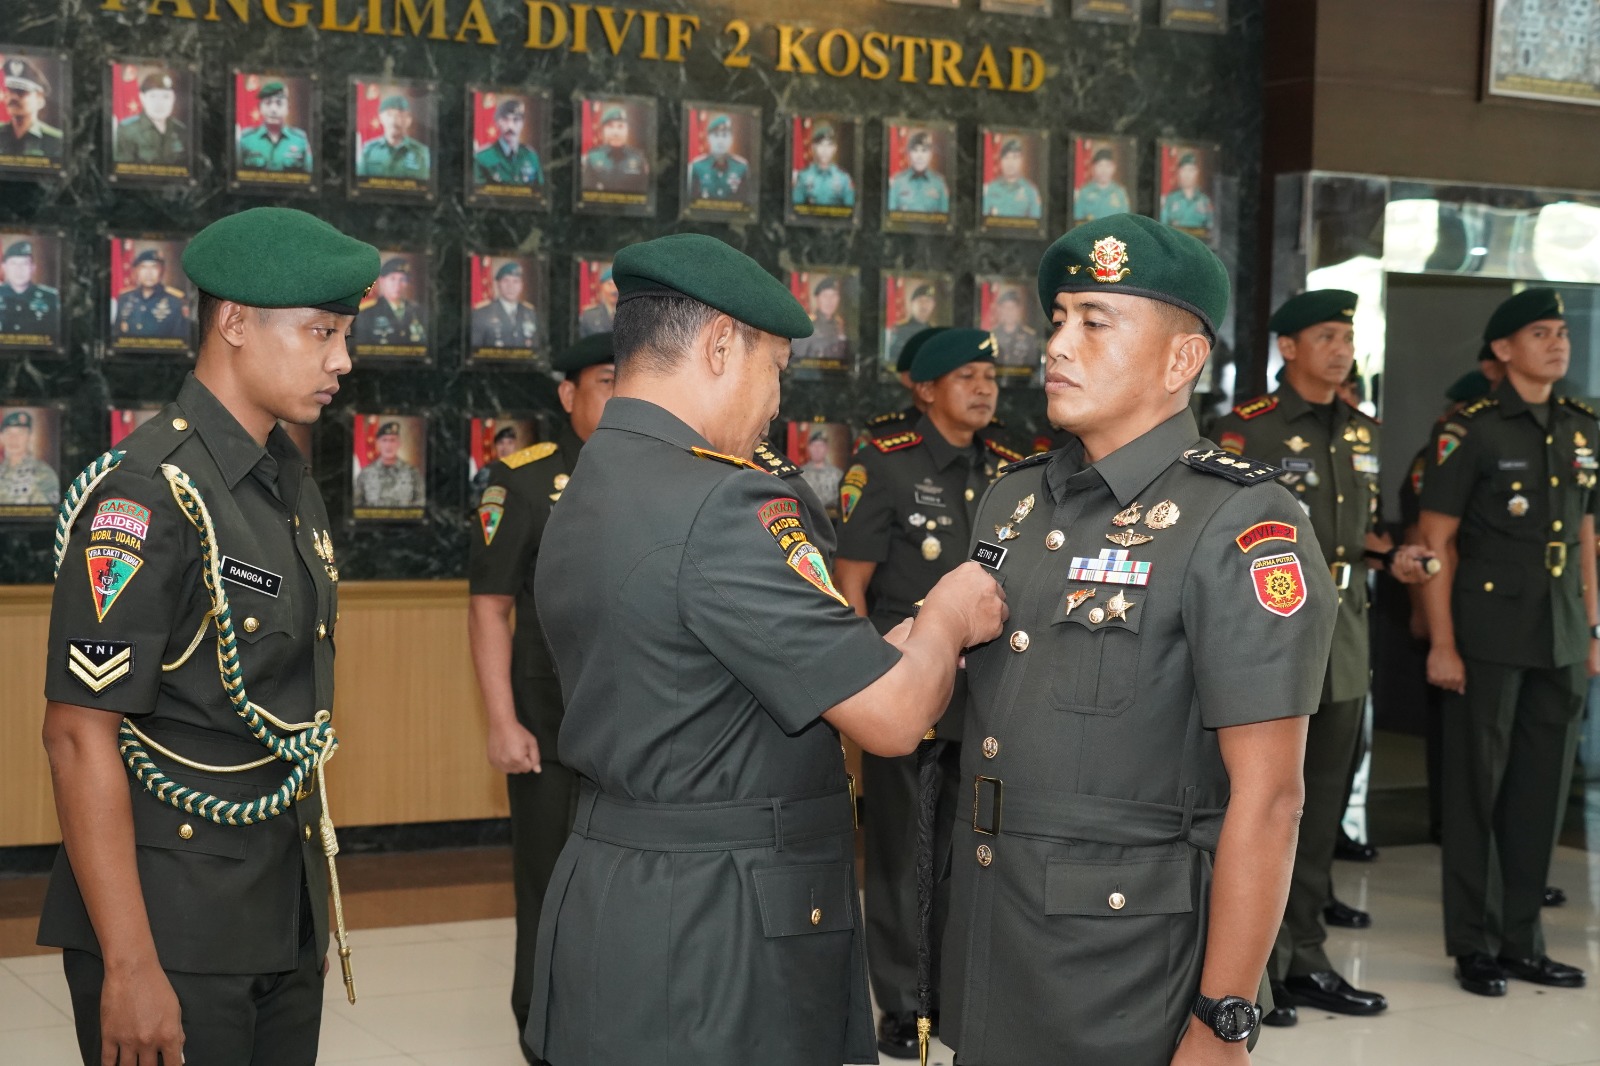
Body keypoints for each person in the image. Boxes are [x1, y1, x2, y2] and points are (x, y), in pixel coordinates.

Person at [524, 232, 1008, 1066]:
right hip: (720, 931)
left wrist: (873, 651)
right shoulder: (723, 502)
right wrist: (946, 617)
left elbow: (694, 664)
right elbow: (892, 721)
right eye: (775, 367)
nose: (777, 400)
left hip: (617, 896)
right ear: (720, 344)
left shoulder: (596, 479)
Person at [942, 213, 1337, 1065]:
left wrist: (1222, 1017)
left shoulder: (1239, 520)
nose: (1058, 344)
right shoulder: (1013, 502)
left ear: (1181, 360)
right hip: (991, 922)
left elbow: (1270, 798)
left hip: (1124, 963)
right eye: (1056, 320)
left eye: (1095, 321)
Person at [37, 206, 378, 1066]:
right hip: (174, 925)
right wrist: (130, 965)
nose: (343, 359)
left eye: (343, 333)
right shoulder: (146, 496)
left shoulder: (284, 482)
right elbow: (80, 735)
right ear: (233, 323)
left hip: (279, 908)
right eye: (320, 332)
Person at [1210, 289, 1434, 1026]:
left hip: (1348, 622)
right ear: (1290, 349)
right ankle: (1255, 969)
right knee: (1262, 799)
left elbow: (1353, 532)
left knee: (1321, 802)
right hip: (1272, 624)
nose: (1343, 348)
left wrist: (1390, 556)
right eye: (1328, 336)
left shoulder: (1362, 430)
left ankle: (1305, 956)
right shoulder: (1247, 431)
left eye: (1349, 336)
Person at [833, 328, 1018, 1059]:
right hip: (905, 689)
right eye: (966, 376)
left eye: (990, 376)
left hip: (987, 695)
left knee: (962, 851)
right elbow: (850, 590)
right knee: (901, 852)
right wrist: (864, 689)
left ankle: (950, 994)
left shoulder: (1010, 466)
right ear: (925, 388)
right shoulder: (886, 465)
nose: (984, 388)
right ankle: (903, 1003)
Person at [1417, 287, 1594, 997]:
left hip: (1560, 631)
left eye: (1562, 333)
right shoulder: (1473, 428)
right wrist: (1442, 643)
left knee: (1541, 795)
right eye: (1540, 333)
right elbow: (1435, 542)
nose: (1557, 344)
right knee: (1476, 795)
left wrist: (1593, 627)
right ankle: (1473, 944)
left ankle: (1524, 940)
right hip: (1486, 634)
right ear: (1502, 350)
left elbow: (1587, 535)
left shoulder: (1584, 426)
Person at [469, 332, 617, 1065]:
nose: (620, 397)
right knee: (549, 884)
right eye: (605, 382)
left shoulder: (669, 474)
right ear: (569, 395)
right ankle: (543, 1033)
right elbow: (489, 605)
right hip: (550, 727)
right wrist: (501, 719)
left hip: (636, 731)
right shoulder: (525, 482)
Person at [236, 79, 311, 175]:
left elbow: (309, 176)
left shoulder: (300, 139)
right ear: (259, 108)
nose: (273, 110)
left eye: (279, 104)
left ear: (288, 109)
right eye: (267, 103)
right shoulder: (246, 139)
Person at [114, 249, 189, 343]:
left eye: (154, 267)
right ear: (136, 271)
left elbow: (180, 343)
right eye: (143, 267)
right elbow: (116, 338)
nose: (148, 273)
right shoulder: (124, 299)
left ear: (162, 271)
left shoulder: (175, 302)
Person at [115, 69, 187, 166]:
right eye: (153, 96)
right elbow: (122, 170)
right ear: (142, 98)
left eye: (166, 97)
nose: (159, 104)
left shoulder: (180, 129)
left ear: (173, 99)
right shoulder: (128, 130)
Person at [0, 56, 63, 161]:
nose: (13, 97)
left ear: (40, 99)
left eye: (21, 92)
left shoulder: (56, 140)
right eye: (10, 90)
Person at [355, 257, 426, 349]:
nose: (397, 285)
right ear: (382, 281)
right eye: (392, 278)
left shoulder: (419, 312)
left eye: (403, 279)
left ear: (408, 283)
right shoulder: (366, 314)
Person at [474, 97, 544, 189]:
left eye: (516, 120)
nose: (510, 126)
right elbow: (479, 194)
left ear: (522, 123)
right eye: (505, 119)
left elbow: (539, 193)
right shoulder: (482, 158)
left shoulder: (531, 157)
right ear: (497, 122)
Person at [471, 262, 541, 352]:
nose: (510, 287)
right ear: (498, 284)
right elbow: (475, 351)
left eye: (515, 281)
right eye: (505, 281)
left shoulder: (530, 312)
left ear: (521, 285)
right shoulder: (481, 313)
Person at [353, 420, 424, 508]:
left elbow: (420, 505)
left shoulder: (413, 473)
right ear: (378, 443)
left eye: (392, 440)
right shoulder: (365, 474)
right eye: (384, 440)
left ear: (399, 443)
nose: (388, 445)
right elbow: (356, 506)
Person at [358, 94, 430, 179]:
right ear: (380, 118)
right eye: (389, 114)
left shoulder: (421, 152)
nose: (394, 121)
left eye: (400, 115)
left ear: (409, 120)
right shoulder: (369, 150)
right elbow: (361, 182)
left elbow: (423, 186)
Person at [581, 104, 649, 195]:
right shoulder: (593, 158)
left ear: (627, 130)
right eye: (610, 126)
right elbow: (586, 192)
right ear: (603, 131)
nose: (615, 132)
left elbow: (643, 194)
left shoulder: (638, 158)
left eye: (620, 126)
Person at [0, 239, 60, 340]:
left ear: (33, 268)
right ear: (4, 267)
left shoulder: (51, 297)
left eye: (25, 264)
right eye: (13, 264)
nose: (19, 269)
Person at [686, 112, 750, 205]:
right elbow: (691, 202)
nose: (720, 141)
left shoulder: (742, 167)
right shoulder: (697, 166)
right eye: (716, 136)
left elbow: (745, 202)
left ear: (731, 139)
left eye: (724, 136)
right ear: (708, 138)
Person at [0, 408, 59, 505]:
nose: (14, 439)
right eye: (8, 433)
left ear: (30, 437)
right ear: (2, 437)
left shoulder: (45, 474)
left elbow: (51, 513)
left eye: (21, 433)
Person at [791, 277, 853, 367]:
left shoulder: (843, 327)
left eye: (834, 295)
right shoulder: (807, 326)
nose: (829, 301)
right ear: (817, 298)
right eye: (825, 296)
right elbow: (796, 364)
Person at [792, 122, 855, 209]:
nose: (825, 150)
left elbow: (850, 210)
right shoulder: (803, 176)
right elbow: (796, 208)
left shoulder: (843, 178)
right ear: (813, 148)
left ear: (834, 149)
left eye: (829, 145)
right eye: (821, 145)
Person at [888, 129, 949, 216]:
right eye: (915, 150)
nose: (919, 156)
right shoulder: (897, 182)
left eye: (924, 150)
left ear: (930, 154)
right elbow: (890, 216)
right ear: (909, 154)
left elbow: (945, 219)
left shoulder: (939, 183)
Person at [981, 138, 1042, 220]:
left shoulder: (1030, 191)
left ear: (1021, 160)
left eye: (1015, 157)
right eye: (1006, 157)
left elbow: (1036, 224)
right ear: (1001, 161)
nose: (1010, 162)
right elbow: (983, 220)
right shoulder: (991, 188)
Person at [1160, 152, 1214, 236]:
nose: (1187, 175)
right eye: (1183, 170)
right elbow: (1162, 227)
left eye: (1191, 170)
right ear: (1179, 173)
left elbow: (1211, 231)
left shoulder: (1205, 201)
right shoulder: (1170, 200)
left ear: (1197, 172)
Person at [1073, 147, 1131, 222]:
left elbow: (1126, 222)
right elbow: (1078, 219)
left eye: (1108, 165)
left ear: (1114, 168)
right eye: (1100, 165)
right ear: (1093, 168)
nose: (1104, 170)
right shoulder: (1084, 192)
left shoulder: (1120, 193)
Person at [887, 284, 939, 366]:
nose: (924, 305)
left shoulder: (937, 333)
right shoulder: (900, 330)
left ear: (933, 305)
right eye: (920, 300)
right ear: (912, 304)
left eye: (928, 301)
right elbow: (893, 361)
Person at [989, 290, 1037, 367]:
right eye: (1005, 308)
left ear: (1018, 311)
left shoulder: (1029, 336)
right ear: (1000, 310)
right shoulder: (992, 335)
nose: (1009, 312)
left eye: (1012, 308)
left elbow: (1033, 364)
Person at [798, 428, 844, 506]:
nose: (817, 449)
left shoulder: (837, 474)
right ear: (809, 448)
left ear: (826, 449)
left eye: (821, 445)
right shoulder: (801, 474)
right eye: (814, 445)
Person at [472, 425, 522, 497]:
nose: (505, 448)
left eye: (510, 443)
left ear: (516, 446)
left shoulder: (524, 472)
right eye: (501, 443)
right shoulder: (486, 472)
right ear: (495, 447)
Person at [578, 266, 616, 338]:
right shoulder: (589, 316)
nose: (613, 289)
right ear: (601, 287)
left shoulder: (631, 315)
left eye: (616, 284)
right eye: (609, 284)